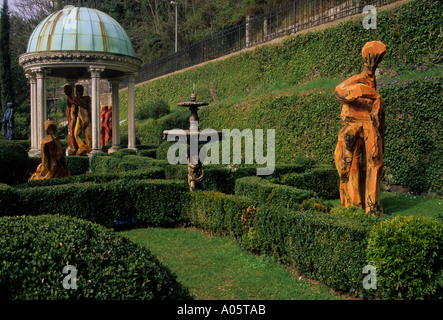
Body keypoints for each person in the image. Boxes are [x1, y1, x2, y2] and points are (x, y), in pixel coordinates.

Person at [334, 41, 386, 216]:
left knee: (374, 161)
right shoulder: (360, 80)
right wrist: (370, 93)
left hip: (368, 126)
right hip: (353, 125)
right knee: (350, 164)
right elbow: (340, 91)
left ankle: (372, 207)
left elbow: (378, 116)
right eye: (374, 58)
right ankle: (353, 207)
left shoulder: (371, 81)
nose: (375, 62)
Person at [73, 85, 92, 156]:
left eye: (81, 90)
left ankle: (89, 152)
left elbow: (89, 108)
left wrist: (80, 103)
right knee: (76, 134)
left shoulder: (86, 98)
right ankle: (83, 147)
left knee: (89, 137)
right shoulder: (75, 99)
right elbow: (74, 112)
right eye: (78, 90)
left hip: (87, 118)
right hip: (79, 118)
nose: (79, 92)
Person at [64, 85, 78, 155]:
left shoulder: (70, 99)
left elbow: (75, 103)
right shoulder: (69, 98)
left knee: (71, 132)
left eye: (66, 90)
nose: (65, 92)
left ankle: (73, 147)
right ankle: (72, 146)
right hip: (70, 118)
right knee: (70, 132)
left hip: (71, 118)